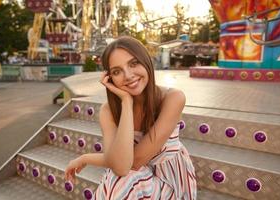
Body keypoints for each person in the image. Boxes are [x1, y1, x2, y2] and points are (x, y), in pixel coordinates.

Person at [65, 36, 197, 199]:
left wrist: (86, 158)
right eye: (117, 71)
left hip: (170, 181)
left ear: (146, 62)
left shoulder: (173, 98)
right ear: (109, 78)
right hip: (132, 180)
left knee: (122, 178)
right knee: (120, 178)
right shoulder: (109, 110)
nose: (128, 75)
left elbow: (131, 164)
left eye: (134, 63)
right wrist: (126, 103)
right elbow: (120, 165)